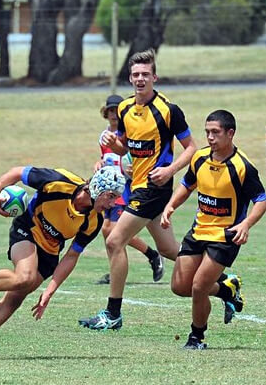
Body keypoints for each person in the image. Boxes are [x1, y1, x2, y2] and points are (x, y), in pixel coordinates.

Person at [0, 165, 126, 360]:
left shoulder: (94, 222)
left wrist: (50, 290)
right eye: (111, 196)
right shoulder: (59, 182)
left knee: (15, 297)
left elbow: (71, 256)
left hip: (50, 252)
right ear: (97, 187)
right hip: (27, 229)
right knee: (24, 277)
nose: (113, 204)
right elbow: (17, 172)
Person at [79, 49, 198, 331]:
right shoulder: (124, 109)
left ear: (154, 77)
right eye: (135, 75)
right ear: (130, 79)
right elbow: (126, 148)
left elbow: (192, 148)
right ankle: (222, 280)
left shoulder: (169, 110)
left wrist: (169, 170)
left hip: (154, 188)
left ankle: (113, 313)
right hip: (136, 186)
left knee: (113, 239)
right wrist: (114, 143)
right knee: (169, 249)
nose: (140, 79)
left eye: (145, 74)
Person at [161, 110, 266, 349]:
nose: (210, 137)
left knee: (199, 287)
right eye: (207, 132)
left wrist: (246, 224)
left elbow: (261, 199)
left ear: (230, 134)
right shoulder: (199, 158)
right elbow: (187, 184)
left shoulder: (242, 167)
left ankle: (197, 337)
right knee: (180, 287)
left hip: (225, 237)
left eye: (215, 132)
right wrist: (170, 205)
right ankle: (226, 290)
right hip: (199, 231)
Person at [94, 94, 164, 284]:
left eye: (117, 110)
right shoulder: (105, 135)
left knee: (114, 230)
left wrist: (132, 170)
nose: (114, 114)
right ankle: (116, 270)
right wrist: (99, 164)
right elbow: (106, 158)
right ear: (106, 113)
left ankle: (152, 255)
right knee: (107, 231)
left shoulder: (130, 133)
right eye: (110, 111)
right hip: (108, 189)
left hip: (123, 188)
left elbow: (132, 157)